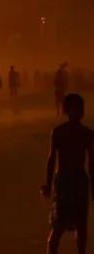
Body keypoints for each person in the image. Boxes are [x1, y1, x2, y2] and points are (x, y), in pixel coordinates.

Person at [42, 94, 94, 254]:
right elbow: (51, 160)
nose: (79, 111)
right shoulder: (58, 132)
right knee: (58, 225)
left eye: (81, 108)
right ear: (67, 110)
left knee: (81, 225)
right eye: (76, 108)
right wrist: (48, 184)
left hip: (79, 181)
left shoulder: (88, 134)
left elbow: (92, 163)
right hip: (63, 182)